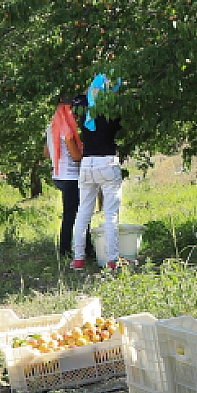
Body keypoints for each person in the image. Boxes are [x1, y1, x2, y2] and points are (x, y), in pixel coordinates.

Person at [71, 75, 125, 271]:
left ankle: (78, 258)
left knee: (83, 212)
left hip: (87, 163)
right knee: (110, 214)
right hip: (107, 162)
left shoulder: (84, 108)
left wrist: (92, 88)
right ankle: (112, 259)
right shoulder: (113, 110)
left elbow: (78, 99)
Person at [47, 95, 83, 258]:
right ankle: (67, 250)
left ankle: (67, 249)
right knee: (77, 214)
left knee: (70, 213)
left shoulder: (52, 126)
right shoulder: (66, 129)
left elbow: (46, 153)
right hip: (71, 176)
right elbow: (76, 156)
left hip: (58, 175)